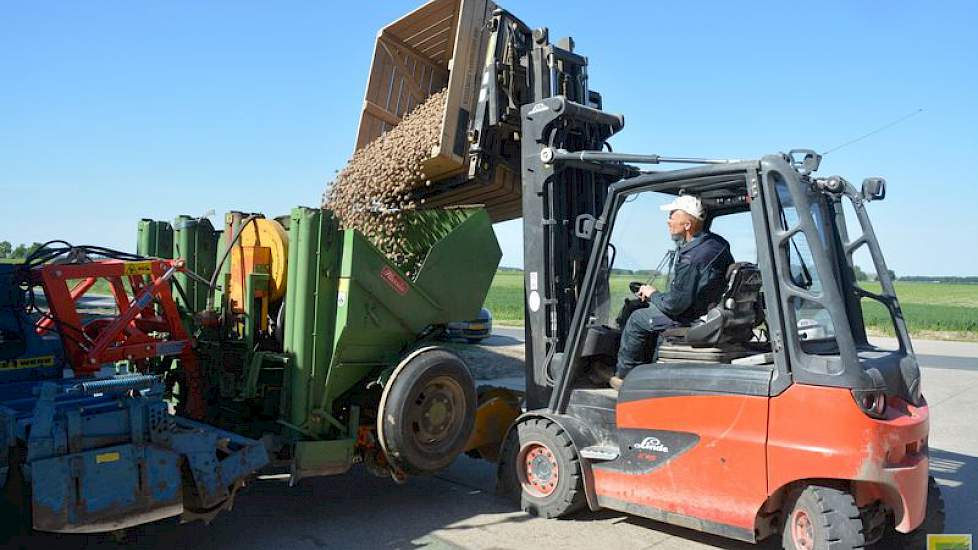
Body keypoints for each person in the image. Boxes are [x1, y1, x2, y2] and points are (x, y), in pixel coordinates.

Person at [610, 194, 733, 390]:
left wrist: (652, 294)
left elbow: (675, 305)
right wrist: (657, 295)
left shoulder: (691, 257)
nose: (668, 221)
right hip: (706, 310)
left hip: (689, 317)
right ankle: (649, 367)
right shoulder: (718, 244)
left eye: (672, 216)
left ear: (687, 225)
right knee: (652, 313)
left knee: (637, 318)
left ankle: (625, 378)